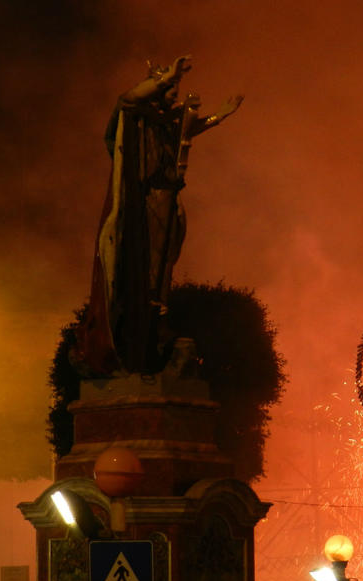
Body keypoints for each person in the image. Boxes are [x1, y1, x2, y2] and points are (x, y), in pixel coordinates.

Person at [74, 55, 243, 375]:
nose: (174, 98)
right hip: (143, 202)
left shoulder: (166, 123)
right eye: (169, 92)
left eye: (175, 92)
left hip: (168, 198)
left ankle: (158, 323)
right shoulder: (136, 115)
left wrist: (220, 115)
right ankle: (139, 327)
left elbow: (190, 129)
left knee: (164, 266)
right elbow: (128, 98)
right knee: (145, 268)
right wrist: (167, 77)